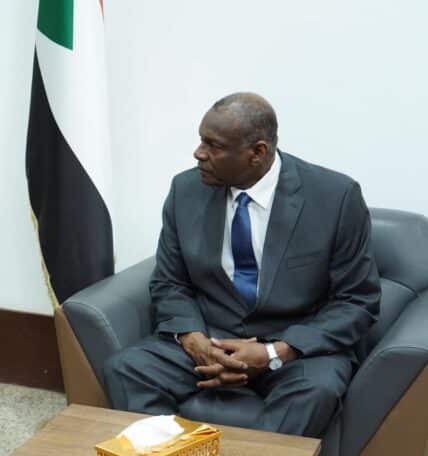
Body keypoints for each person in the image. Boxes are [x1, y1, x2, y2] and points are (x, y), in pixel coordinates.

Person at [102, 92, 381, 437]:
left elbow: (357, 300)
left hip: (296, 347)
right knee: (127, 369)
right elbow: (169, 282)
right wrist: (195, 341)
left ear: (257, 153)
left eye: (213, 145)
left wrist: (274, 352)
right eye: (201, 140)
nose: (198, 153)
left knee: (316, 391)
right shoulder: (185, 190)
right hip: (212, 337)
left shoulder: (335, 197)